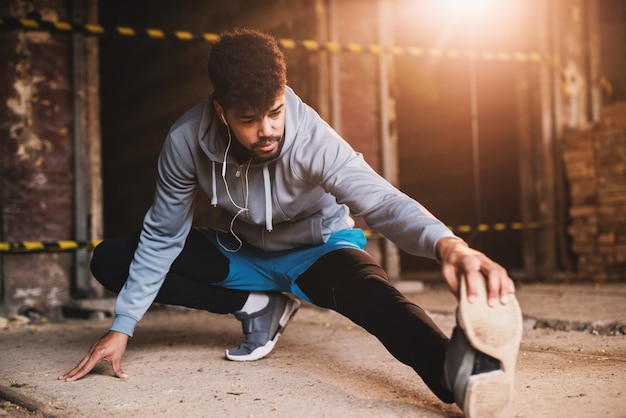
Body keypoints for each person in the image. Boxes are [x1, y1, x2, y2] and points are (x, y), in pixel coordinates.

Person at [59, 28, 523, 417]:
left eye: (275, 111)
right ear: (220, 111)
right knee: (113, 259)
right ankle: (259, 306)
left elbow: (381, 200)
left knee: (372, 294)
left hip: (317, 250)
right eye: (249, 119)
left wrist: (449, 245)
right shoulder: (185, 141)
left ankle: (456, 373)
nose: (268, 129)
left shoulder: (313, 139)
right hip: (244, 254)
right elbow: (163, 234)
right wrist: (123, 327)